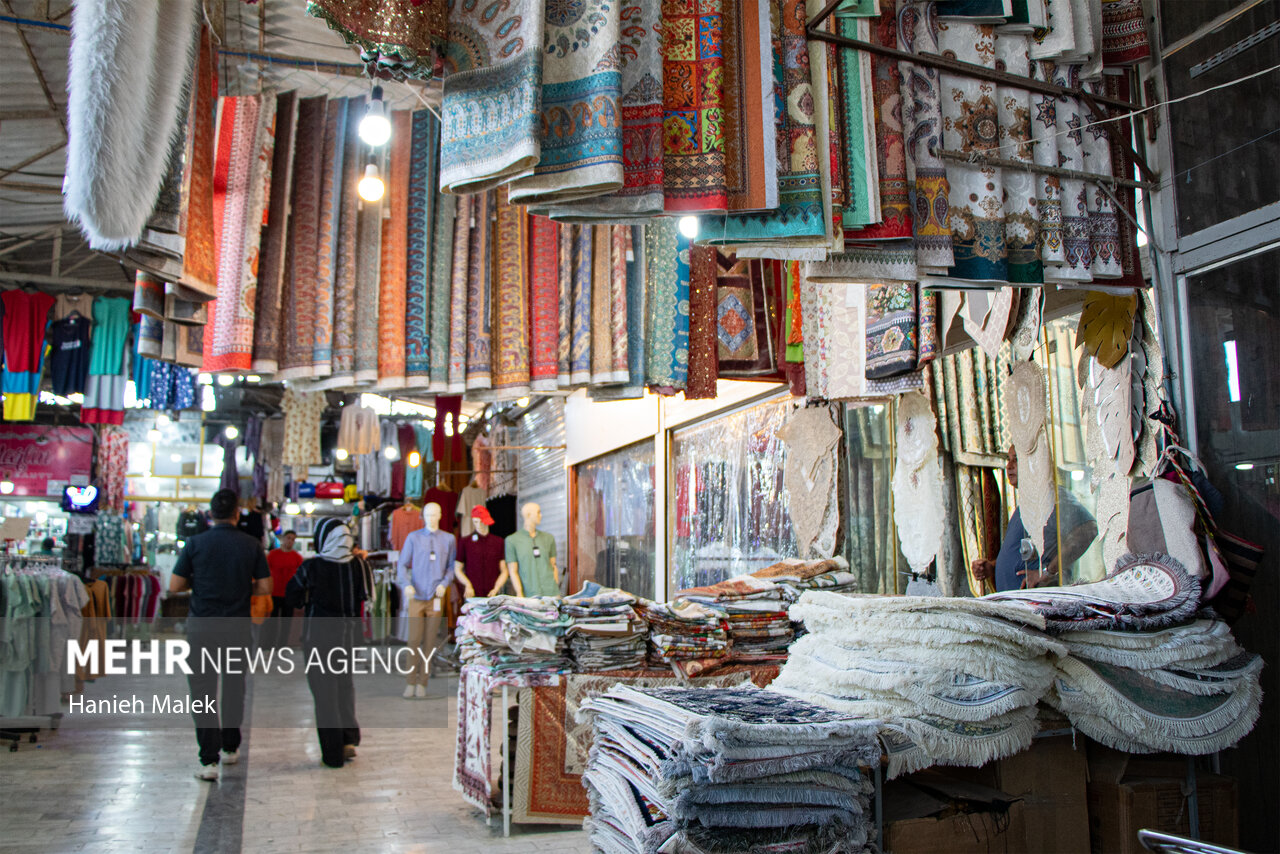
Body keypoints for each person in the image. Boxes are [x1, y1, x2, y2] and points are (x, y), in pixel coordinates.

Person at [170, 489, 271, 781]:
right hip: (237, 626)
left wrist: (201, 584)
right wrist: (240, 587)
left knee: (202, 691)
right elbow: (265, 588)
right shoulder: (251, 545)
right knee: (234, 686)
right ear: (237, 515)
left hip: (202, 627)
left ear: (210, 515)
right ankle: (230, 747)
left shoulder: (194, 543)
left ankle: (208, 760)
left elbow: (175, 585)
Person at [286, 517, 365, 768]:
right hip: (348, 638)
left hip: (318, 640)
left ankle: (333, 754)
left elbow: (292, 596)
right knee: (344, 687)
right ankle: (348, 740)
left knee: (325, 694)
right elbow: (363, 597)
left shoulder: (312, 567)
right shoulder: (358, 566)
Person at [971, 447, 1099, 592]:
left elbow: (1089, 529)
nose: (1009, 466)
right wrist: (993, 566)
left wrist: (1047, 572)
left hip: (1037, 602)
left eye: (1017, 460)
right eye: (1008, 459)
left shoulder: (1051, 496)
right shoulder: (1027, 503)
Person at [396, 502, 456, 699]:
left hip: (435, 597)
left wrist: (445, 583)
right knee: (413, 640)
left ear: (439, 515)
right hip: (417, 596)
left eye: (434, 514)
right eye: (427, 514)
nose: (431, 518)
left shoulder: (448, 539)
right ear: (423, 516)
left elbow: (451, 566)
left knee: (430, 642)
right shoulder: (413, 538)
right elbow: (402, 565)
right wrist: (406, 585)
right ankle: (410, 681)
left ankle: (423, 682)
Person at [265, 531, 304, 648]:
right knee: (272, 620)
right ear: (283, 539)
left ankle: (282, 645)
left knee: (286, 621)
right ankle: (269, 644)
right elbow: (266, 571)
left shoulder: (297, 557)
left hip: (289, 594)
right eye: (288, 538)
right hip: (274, 592)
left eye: (292, 539)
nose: (290, 541)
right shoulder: (272, 555)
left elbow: (300, 575)